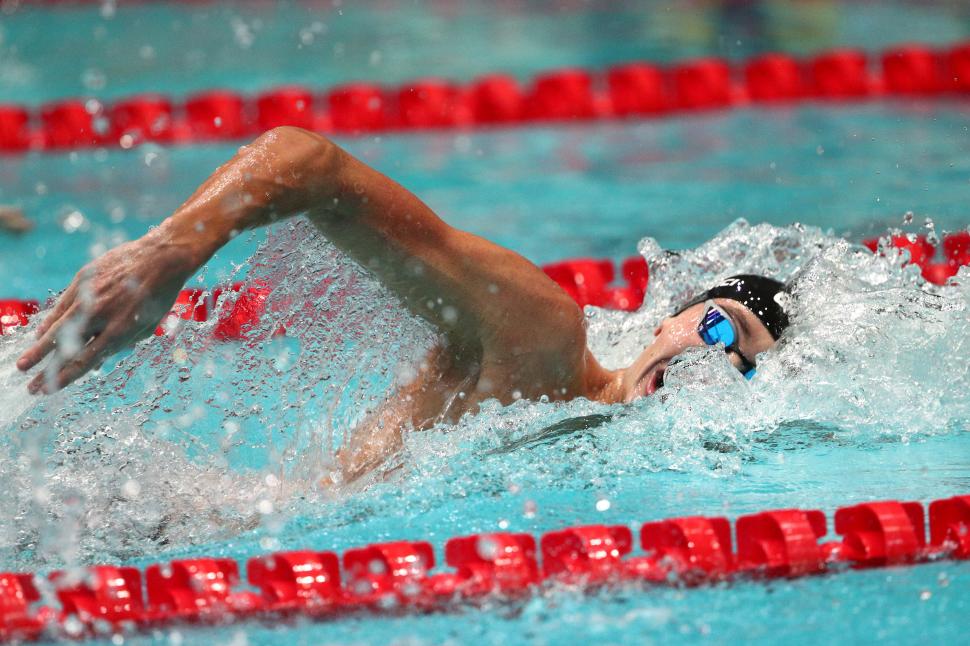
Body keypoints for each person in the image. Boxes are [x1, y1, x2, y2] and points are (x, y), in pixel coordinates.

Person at [14, 126, 789, 482]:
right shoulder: (543, 334)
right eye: (721, 326)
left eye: (740, 363)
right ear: (672, 317)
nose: (711, 360)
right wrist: (170, 253)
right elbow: (308, 162)